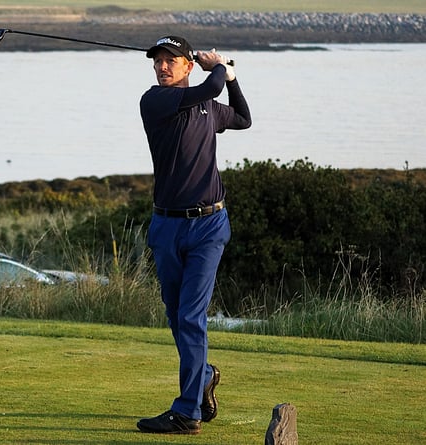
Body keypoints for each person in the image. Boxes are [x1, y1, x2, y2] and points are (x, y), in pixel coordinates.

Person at [136, 36, 252, 435]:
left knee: (190, 316)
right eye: (158, 61)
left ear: (186, 66)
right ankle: (202, 378)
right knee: (176, 314)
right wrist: (218, 64)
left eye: (171, 61)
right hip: (167, 226)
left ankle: (188, 412)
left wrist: (231, 76)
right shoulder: (155, 102)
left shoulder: (207, 107)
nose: (162, 67)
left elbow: (243, 117)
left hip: (208, 226)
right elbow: (211, 84)